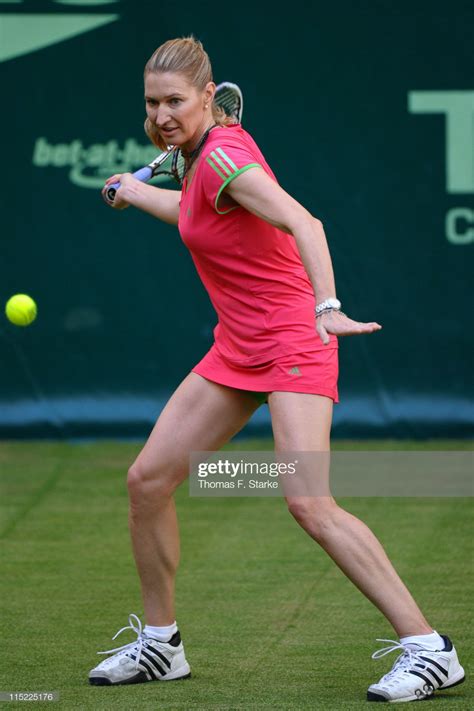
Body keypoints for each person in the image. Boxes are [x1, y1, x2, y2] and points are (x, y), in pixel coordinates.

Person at [89, 37, 465, 703]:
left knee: (307, 498)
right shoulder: (194, 154)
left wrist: (329, 306)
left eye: (176, 101)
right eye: (153, 102)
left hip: (295, 337)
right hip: (238, 344)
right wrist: (132, 192)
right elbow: (195, 216)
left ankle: (428, 649)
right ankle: (160, 644)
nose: (162, 113)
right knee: (148, 480)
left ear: (210, 98)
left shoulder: (226, 153)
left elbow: (304, 221)